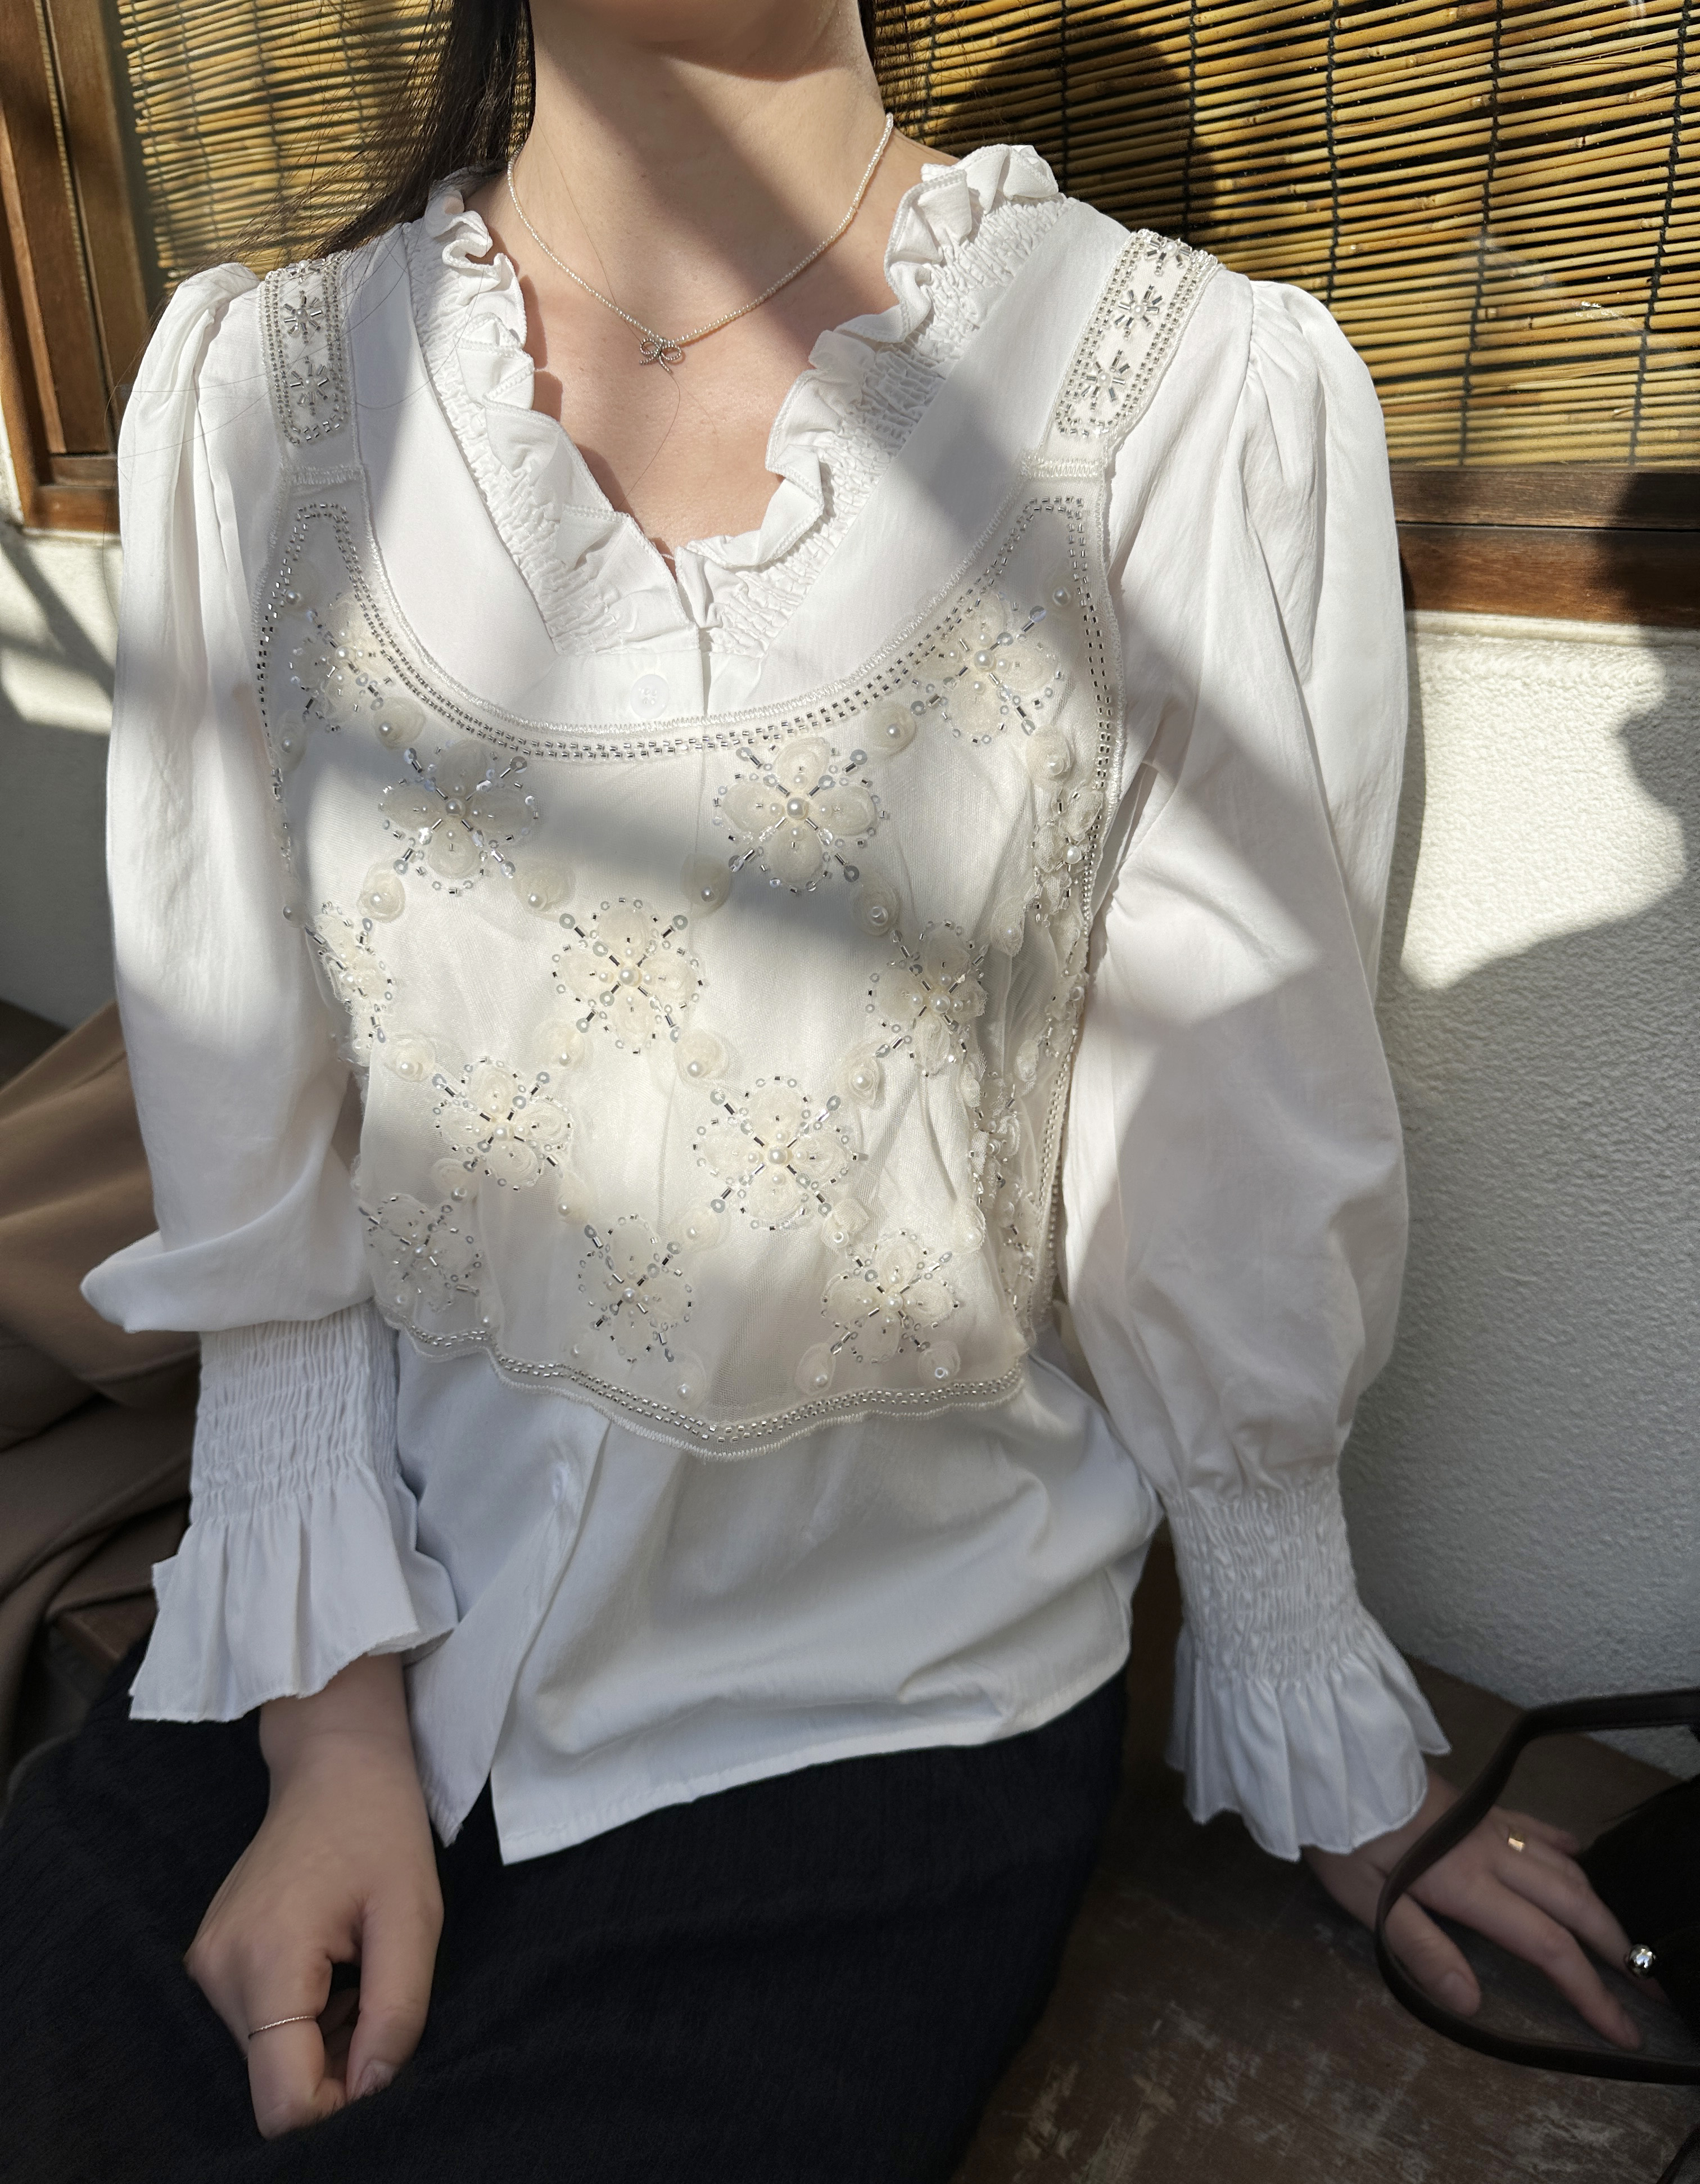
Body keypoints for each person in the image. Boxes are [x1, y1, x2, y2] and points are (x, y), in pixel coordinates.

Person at [0, 1, 1645, 2176]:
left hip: (871, 1746)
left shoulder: (1176, 397)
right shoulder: (262, 402)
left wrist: (1328, 1729)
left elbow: (1219, 1143)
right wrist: (325, 1738)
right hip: (329, 1643)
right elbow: (254, 1119)